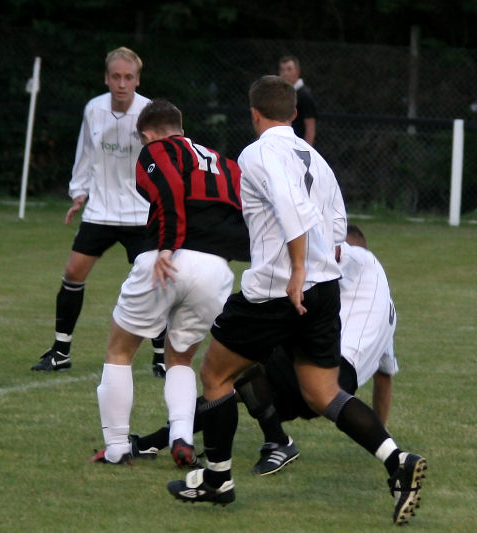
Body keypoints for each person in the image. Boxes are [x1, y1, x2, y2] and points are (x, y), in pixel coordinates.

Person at [166, 76, 426, 527]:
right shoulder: (315, 157)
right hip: (326, 289)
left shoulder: (258, 152)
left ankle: (217, 481)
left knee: (214, 373)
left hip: (279, 287)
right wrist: (317, 266)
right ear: (292, 112)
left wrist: (299, 270)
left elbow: (291, 209)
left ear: (253, 114)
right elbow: (339, 219)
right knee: (322, 392)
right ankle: (397, 461)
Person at [124, 225, 400, 477]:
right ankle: (162, 440)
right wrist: (377, 435)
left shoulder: (357, 256)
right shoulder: (387, 310)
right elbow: (384, 379)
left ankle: (276, 443)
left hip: (323, 367)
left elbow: (334, 249)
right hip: (339, 384)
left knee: (235, 363)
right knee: (240, 383)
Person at [90, 99, 249, 465]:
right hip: (215, 269)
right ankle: (181, 438)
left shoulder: (156, 149)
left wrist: (166, 247)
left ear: (147, 135)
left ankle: (116, 449)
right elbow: (249, 213)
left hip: (168, 259)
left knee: (119, 350)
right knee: (180, 357)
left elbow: (170, 186)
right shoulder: (224, 163)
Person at [31, 47, 167, 375]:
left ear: (137, 80)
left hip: (139, 213)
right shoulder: (94, 109)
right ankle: (61, 352)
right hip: (100, 210)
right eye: (116, 77)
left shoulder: (149, 112)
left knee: (156, 282)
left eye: (128, 77)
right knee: (73, 273)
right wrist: (79, 193)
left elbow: (163, 160)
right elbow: (86, 152)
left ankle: (161, 358)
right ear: (106, 78)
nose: (122, 84)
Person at [278, 55, 317, 145]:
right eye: (282, 70)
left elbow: (310, 128)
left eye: (289, 69)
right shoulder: (280, 94)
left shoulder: (305, 95)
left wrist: (306, 150)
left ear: (298, 71)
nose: (285, 73)